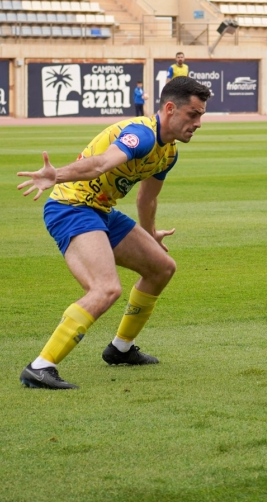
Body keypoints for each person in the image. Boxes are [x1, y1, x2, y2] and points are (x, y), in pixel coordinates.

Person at [16, 77, 211, 390]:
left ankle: (120, 349)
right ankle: (41, 366)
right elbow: (101, 164)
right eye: (193, 114)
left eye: (201, 115)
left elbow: (146, 199)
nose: (198, 123)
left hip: (101, 211)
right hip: (71, 207)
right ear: (170, 109)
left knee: (162, 268)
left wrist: (151, 236)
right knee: (105, 288)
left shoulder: (168, 153)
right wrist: (57, 175)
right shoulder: (142, 135)